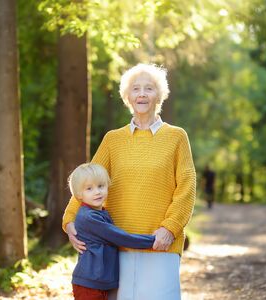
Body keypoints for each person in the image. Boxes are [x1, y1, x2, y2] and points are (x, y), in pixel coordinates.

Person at [63, 63, 196, 300]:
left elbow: (186, 186)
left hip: (160, 244)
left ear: (159, 95)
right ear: (127, 97)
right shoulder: (113, 140)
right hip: (115, 247)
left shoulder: (176, 137)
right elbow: (87, 180)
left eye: (149, 88)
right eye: (135, 89)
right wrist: (69, 221)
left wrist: (170, 228)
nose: (142, 94)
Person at [67, 163, 156, 300]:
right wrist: (153, 240)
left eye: (101, 186)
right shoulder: (89, 217)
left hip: (102, 281)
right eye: (89, 189)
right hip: (89, 283)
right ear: (79, 194)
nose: (97, 192)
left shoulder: (101, 213)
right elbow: (121, 237)